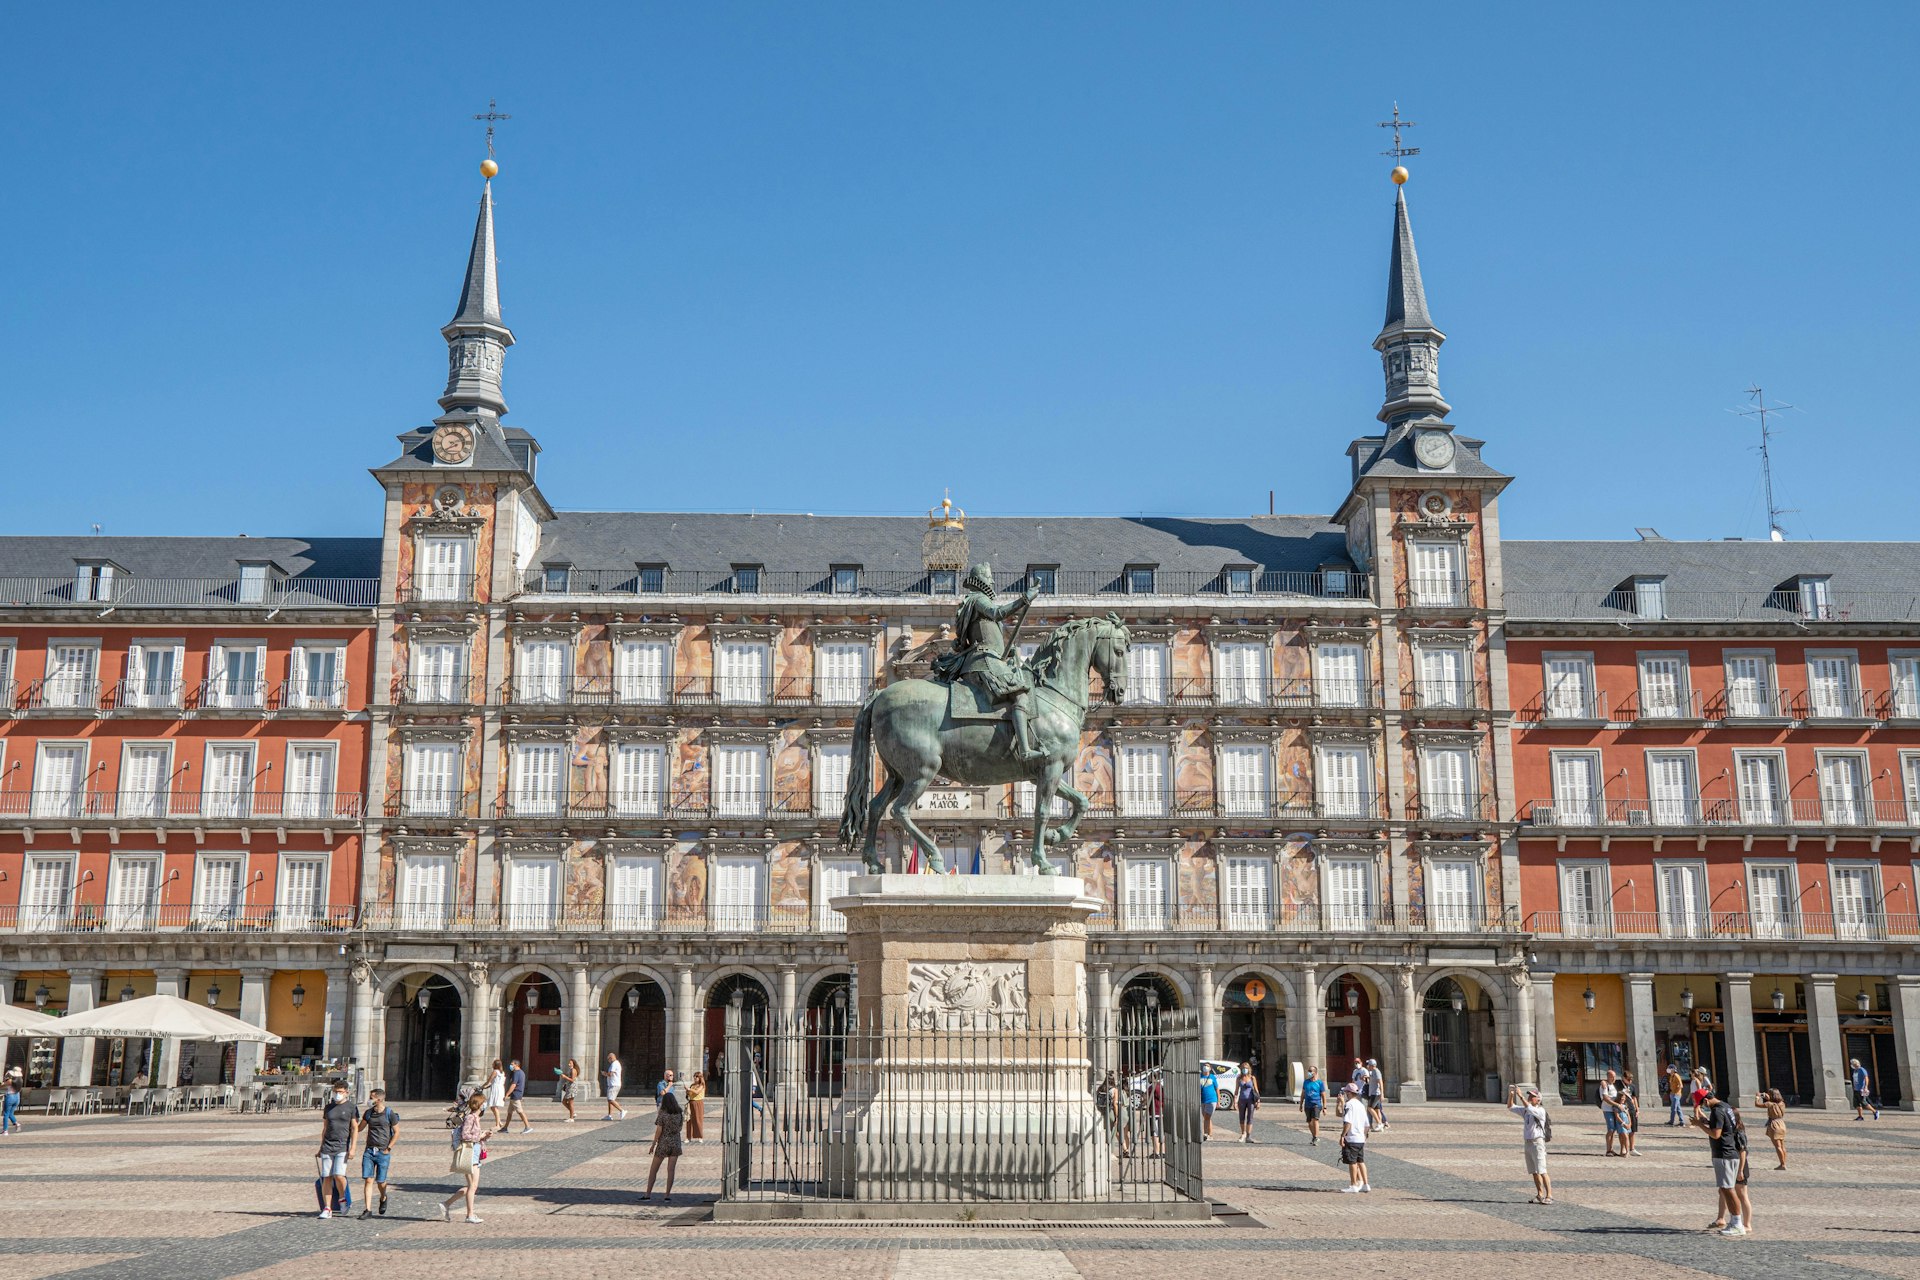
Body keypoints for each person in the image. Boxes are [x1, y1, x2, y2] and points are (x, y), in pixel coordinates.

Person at [1692, 1084, 1745, 1236]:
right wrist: (1705, 1122)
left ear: (1705, 1101)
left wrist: (1699, 1125)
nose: (1704, 1107)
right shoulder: (1726, 1106)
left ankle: (1737, 1223)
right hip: (1730, 1153)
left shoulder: (1717, 1111)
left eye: (1702, 1104)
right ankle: (1735, 1222)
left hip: (1724, 1153)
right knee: (1725, 1188)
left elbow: (1716, 1134)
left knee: (1728, 1189)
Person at [441, 1093, 487, 1224]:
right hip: (469, 1154)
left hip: (475, 1153)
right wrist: (480, 1136)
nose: (485, 1106)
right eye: (483, 1103)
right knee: (472, 1186)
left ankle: (446, 1204)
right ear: (479, 1104)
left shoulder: (476, 1118)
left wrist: (484, 1136)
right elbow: (465, 1135)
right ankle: (470, 1215)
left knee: (473, 1186)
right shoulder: (470, 1118)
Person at [314, 1081, 356, 1219]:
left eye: (340, 1092)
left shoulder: (351, 1107)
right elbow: (325, 1127)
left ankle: (343, 1198)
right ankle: (327, 1207)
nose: (337, 1094)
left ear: (346, 1092)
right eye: (335, 1091)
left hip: (342, 1145)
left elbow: (354, 1128)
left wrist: (353, 1147)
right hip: (327, 1145)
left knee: (339, 1175)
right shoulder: (328, 1108)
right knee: (327, 1176)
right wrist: (321, 1147)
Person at [356, 1088, 400, 1218]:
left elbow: (397, 1132)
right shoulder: (368, 1113)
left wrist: (389, 1148)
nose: (369, 1100)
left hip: (383, 1151)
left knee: (381, 1181)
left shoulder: (389, 1113)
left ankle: (383, 1197)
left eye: (372, 1098)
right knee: (368, 1179)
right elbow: (359, 1128)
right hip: (369, 1150)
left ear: (379, 1099)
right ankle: (367, 1209)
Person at [1508, 1085, 1552, 1204]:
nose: (1530, 1097)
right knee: (1534, 1171)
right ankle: (1539, 1194)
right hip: (1528, 1143)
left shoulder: (1540, 1111)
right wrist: (1511, 1094)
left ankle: (1549, 1195)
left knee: (1542, 1170)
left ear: (1538, 1099)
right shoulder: (1526, 1110)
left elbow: (1530, 1108)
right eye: (1529, 1095)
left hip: (1537, 1143)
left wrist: (1520, 1096)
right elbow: (1510, 1107)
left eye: (1532, 1096)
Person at [642, 1090, 685, 1203]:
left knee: (653, 1170)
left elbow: (659, 1130)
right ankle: (667, 1195)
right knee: (671, 1170)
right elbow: (680, 1128)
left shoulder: (663, 1114)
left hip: (664, 1142)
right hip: (675, 1143)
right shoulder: (679, 1113)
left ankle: (647, 1194)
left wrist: (653, 1144)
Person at [1338, 1084, 1371, 1193]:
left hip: (1352, 1138)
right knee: (1361, 1161)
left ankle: (1353, 1185)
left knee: (1352, 1162)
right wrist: (1364, 1136)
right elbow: (1367, 1125)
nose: (1345, 1094)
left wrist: (1343, 1135)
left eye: (1346, 1092)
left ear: (1349, 1093)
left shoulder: (1349, 1105)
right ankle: (1366, 1184)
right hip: (1360, 1138)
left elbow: (1348, 1122)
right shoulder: (1361, 1105)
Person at [1755, 1088, 1787, 1169]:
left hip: (1774, 1124)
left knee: (1778, 1146)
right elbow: (1775, 1104)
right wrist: (1769, 1098)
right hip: (1781, 1123)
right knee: (1782, 1145)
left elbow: (1757, 1104)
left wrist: (1757, 1097)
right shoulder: (1782, 1103)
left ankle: (1782, 1164)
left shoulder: (1769, 1104)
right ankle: (1783, 1163)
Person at [503, 1058, 531, 1135]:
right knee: (509, 1112)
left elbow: (513, 1085)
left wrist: (507, 1094)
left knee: (520, 1111)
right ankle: (505, 1127)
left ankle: (527, 1126)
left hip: (516, 1095)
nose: (511, 1066)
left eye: (512, 1064)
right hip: (515, 1095)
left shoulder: (517, 1073)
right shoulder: (521, 1073)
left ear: (516, 1065)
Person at [1598, 1069, 1622, 1156]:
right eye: (1612, 1076)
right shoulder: (1604, 1085)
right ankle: (1608, 1150)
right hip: (1607, 1109)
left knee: (1613, 1129)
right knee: (1611, 1128)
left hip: (1613, 1109)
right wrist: (1616, 1104)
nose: (1614, 1078)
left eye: (1615, 1076)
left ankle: (1611, 1149)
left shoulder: (1612, 1085)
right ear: (1608, 1077)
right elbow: (1605, 1098)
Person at [1300, 1066, 1326, 1145]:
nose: (1309, 1072)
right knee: (1309, 1122)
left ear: (1315, 1072)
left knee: (1315, 1120)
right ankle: (1314, 1136)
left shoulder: (1319, 1083)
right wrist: (1301, 1104)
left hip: (1316, 1104)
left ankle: (1316, 1137)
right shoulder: (1306, 1082)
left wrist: (1324, 1106)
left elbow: (1323, 1095)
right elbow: (1303, 1093)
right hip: (1307, 1104)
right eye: (1308, 1071)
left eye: (1311, 1071)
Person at [1235, 1063, 1259, 1143]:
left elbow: (1256, 1090)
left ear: (1249, 1069)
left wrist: (1258, 1101)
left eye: (1246, 1068)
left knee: (1250, 1117)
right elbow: (1236, 1090)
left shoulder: (1252, 1078)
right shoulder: (1239, 1078)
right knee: (1241, 1117)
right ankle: (1243, 1133)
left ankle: (1249, 1136)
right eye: (1243, 1068)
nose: (1244, 1069)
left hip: (1251, 1100)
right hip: (1241, 1099)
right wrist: (1235, 1101)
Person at [1618, 1073, 1641, 1156]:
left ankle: (1632, 1148)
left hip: (1631, 1109)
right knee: (1623, 1131)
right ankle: (1624, 1148)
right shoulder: (1618, 1085)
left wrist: (1637, 1109)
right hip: (1623, 1109)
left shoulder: (1632, 1086)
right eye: (1628, 1079)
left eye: (1631, 1079)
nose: (1630, 1081)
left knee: (1633, 1129)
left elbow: (1634, 1098)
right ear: (1623, 1078)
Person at [482, 1060, 506, 1132]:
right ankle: (499, 1122)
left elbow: (489, 1080)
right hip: (500, 1088)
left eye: (493, 1064)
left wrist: (483, 1086)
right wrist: (487, 1086)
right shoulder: (502, 1072)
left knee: (494, 1107)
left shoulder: (495, 1071)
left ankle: (497, 1125)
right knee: (493, 1106)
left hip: (496, 1089)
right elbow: (495, 1082)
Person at [1365, 1059, 1390, 1129]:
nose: (1368, 1066)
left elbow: (1380, 1082)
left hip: (1375, 1093)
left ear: (1372, 1065)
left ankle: (1379, 1123)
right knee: (1377, 1109)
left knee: (1369, 1108)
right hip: (1373, 1093)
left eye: (1369, 1065)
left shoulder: (1376, 1071)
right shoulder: (1372, 1072)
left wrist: (1382, 1094)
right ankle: (1380, 1125)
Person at [602, 1051, 627, 1120]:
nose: (608, 1061)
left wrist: (605, 1074)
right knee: (610, 1100)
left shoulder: (614, 1064)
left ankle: (622, 1110)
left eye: (608, 1059)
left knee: (610, 1099)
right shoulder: (615, 1063)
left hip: (614, 1084)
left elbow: (610, 1074)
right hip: (613, 1084)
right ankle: (609, 1115)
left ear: (611, 1058)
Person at [685, 1071, 707, 1143]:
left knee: (698, 1120)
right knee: (689, 1120)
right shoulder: (692, 1085)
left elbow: (697, 1092)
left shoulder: (701, 1085)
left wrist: (689, 1089)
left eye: (697, 1076)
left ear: (700, 1078)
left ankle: (700, 1136)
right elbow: (690, 1094)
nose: (695, 1078)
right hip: (691, 1102)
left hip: (698, 1103)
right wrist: (687, 1091)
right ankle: (688, 1137)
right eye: (694, 1076)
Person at [557, 1058, 580, 1123]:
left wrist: (565, 1077)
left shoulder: (573, 1070)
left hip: (572, 1088)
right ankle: (573, 1113)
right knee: (564, 1101)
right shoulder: (571, 1070)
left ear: (573, 1063)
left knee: (570, 1103)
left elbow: (572, 1080)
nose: (569, 1064)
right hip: (569, 1088)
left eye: (570, 1063)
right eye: (569, 1063)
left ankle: (571, 1118)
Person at [1199, 1070, 1218, 1141]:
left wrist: (1218, 1100)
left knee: (1207, 1117)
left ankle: (1207, 1134)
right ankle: (1208, 1134)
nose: (1205, 1067)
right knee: (1206, 1118)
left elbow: (1217, 1088)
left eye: (1207, 1066)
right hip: (1203, 1100)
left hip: (1211, 1100)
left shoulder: (1212, 1077)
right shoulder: (1200, 1076)